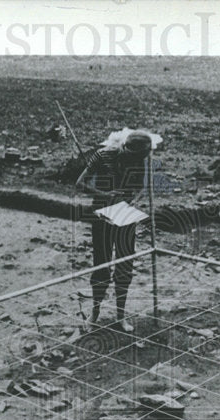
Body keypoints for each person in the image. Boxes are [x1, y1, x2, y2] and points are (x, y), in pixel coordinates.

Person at [76, 129, 160, 332]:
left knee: (125, 264)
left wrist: (133, 200)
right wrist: (106, 194)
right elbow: (80, 183)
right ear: (125, 148)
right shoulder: (103, 155)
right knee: (101, 265)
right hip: (102, 214)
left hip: (125, 215)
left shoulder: (139, 160)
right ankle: (94, 313)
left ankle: (120, 316)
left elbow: (140, 188)